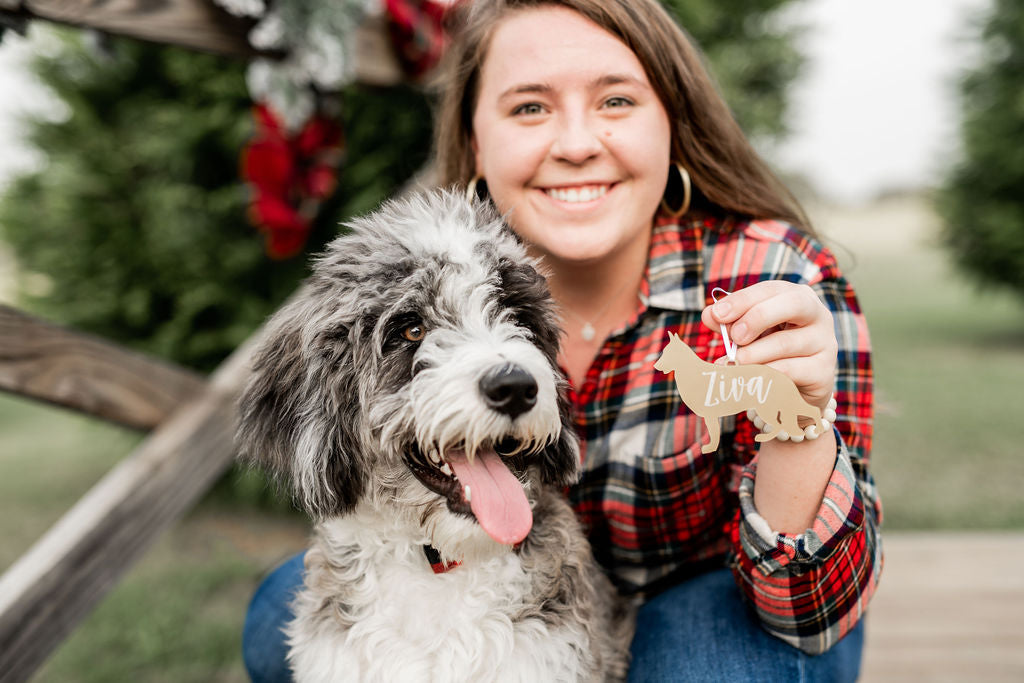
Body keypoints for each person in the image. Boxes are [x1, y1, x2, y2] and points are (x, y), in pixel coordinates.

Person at [243, 0, 882, 680]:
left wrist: (800, 423)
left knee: (707, 668)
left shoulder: (773, 279)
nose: (577, 143)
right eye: (529, 108)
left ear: (672, 123)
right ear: (475, 139)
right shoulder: (435, 250)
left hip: (734, 592)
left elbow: (808, 608)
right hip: (490, 578)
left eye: (615, 100)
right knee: (277, 613)